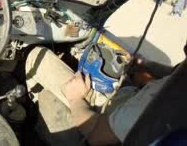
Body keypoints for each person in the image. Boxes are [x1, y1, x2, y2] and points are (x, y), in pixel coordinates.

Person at [26, 46, 176, 145]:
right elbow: (176, 72)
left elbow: (98, 134)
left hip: (105, 124)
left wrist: (75, 99)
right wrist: (145, 65)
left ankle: (29, 117)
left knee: (38, 56)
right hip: (129, 97)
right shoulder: (180, 82)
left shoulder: (174, 100)